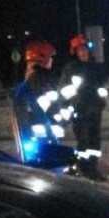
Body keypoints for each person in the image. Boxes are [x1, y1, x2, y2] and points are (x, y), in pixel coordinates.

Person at [11, 41, 76, 169]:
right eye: (50, 57)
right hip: (44, 143)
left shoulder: (26, 84)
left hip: (34, 141)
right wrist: (70, 111)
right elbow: (51, 110)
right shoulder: (38, 82)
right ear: (43, 57)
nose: (52, 61)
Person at [59, 34, 108, 180]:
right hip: (80, 111)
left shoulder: (95, 67)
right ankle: (84, 169)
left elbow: (101, 86)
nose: (83, 52)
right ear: (75, 52)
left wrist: (102, 101)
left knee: (95, 141)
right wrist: (72, 103)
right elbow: (63, 89)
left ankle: (93, 169)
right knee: (83, 141)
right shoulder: (70, 69)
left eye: (85, 49)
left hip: (95, 110)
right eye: (80, 49)